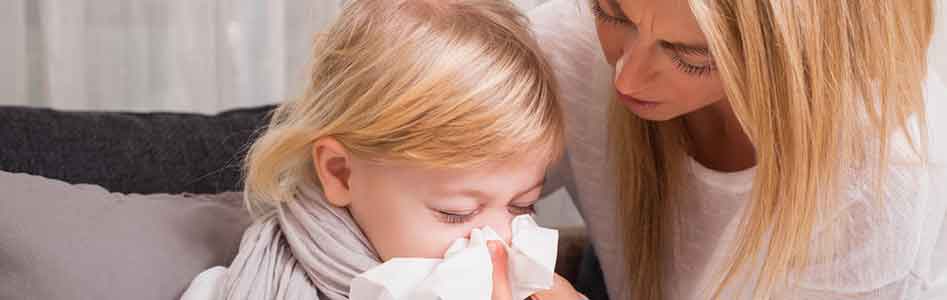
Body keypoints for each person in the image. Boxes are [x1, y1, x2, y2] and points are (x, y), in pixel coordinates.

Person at [528, 0, 947, 298]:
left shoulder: (878, 180)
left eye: (690, 55)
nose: (627, 80)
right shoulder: (570, 40)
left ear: (790, 48)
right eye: (611, 12)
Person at [178, 0, 583, 299]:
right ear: (339, 172)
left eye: (523, 206)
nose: (498, 239)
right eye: (455, 213)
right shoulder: (244, 287)